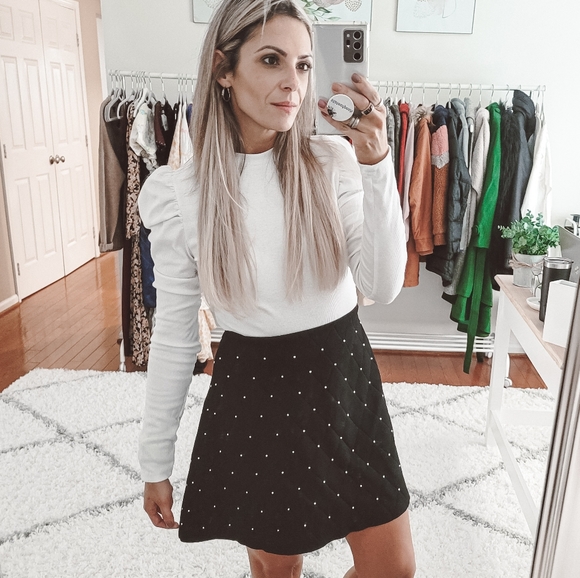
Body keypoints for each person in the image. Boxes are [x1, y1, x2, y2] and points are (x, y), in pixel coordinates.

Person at [138, 0, 415, 576]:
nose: (294, 82)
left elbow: (384, 285)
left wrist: (377, 164)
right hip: (256, 395)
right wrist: (154, 461)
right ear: (223, 69)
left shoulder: (333, 160)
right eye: (272, 60)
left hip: (344, 378)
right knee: (278, 571)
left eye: (304, 64)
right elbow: (174, 335)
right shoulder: (180, 195)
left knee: (393, 569)